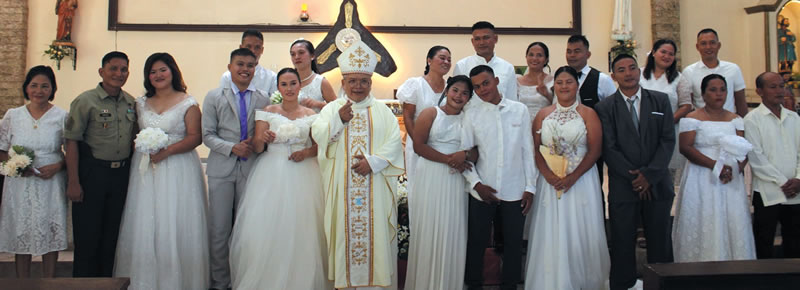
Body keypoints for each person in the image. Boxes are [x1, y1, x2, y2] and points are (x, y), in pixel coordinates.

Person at [311, 40, 404, 290]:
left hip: (376, 188)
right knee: (345, 238)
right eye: (352, 81)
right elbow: (318, 135)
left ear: (371, 83)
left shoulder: (384, 112)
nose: (358, 86)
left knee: (376, 242)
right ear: (343, 83)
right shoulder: (332, 109)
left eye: (364, 81)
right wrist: (338, 122)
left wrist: (373, 163)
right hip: (343, 191)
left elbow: (395, 144)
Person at [113, 52, 209, 289]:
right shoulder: (140, 103)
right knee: (145, 221)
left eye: (162, 70)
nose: (158, 75)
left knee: (175, 221)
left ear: (173, 71)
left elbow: (195, 137)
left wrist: (167, 151)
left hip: (178, 169)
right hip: (145, 169)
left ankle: (178, 280)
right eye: (153, 72)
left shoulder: (188, 102)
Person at [229, 68, 330, 289]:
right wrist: (264, 138)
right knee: (270, 227)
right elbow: (256, 147)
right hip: (271, 173)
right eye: (284, 84)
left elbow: (318, 146)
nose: (289, 88)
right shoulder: (267, 112)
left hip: (304, 173)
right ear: (278, 88)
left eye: (293, 83)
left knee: (303, 227)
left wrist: (305, 153)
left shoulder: (311, 115)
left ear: (299, 85)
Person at [525, 66, 609, 290]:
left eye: (569, 82)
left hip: (580, 180)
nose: (564, 86)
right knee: (551, 229)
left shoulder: (588, 113)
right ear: (555, 86)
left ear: (577, 85)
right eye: (560, 82)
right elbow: (535, 149)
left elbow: (595, 150)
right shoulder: (543, 114)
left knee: (580, 227)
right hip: (550, 182)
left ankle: (583, 280)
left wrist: (573, 177)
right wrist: (548, 176)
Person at [596, 54, 676, 290]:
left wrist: (649, 175)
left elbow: (667, 140)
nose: (628, 73)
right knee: (622, 241)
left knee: (660, 241)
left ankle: (662, 285)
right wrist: (636, 177)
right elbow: (609, 148)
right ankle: (623, 285)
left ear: (639, 71)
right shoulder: (605, 107)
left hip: (658, 183)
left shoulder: (660, 101)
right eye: (621, 70)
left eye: (632, 68)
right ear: (613, 76)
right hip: (624, 185)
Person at [461, 65, 536, 290]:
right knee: (476, 243)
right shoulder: (471, 114)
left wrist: (530, 187)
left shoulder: (519, 110)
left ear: (495, 80)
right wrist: (476, 184)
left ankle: (510, 285)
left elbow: (527, 150)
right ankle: (474, 285)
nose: (482, 89)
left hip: (515, 189)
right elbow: (466, 155)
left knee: (513, 244)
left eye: (485, 83)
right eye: (476, 87)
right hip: (482, 189)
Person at [202, 48, 271, 290]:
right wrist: (232, 147)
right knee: (220, 230)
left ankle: (244, 279)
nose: (245, 69)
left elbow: (267, 132)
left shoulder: (265, 98)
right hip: (222, 169)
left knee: (247, 230)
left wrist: (259, 141)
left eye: (250, 65)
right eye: (240, 64)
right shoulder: (214, 96)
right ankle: (221, 282)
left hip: (252, 169)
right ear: (230, 66)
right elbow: (207, 135)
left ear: (256, 68)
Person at [65, 51, 136, 277]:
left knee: (112, 237)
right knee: (88, 237)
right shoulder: (85, 101)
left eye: (123, 69)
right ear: (101, 71)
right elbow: (72, 142)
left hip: (120, 176)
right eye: (113, 68)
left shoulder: (131, 102)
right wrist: (74, 182)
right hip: (92, 174)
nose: (119, 74)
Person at [672, 74, 756, 262]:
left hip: (730, 178)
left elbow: (743, 148)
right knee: (705, 216)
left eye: (722, 90)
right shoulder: (692, 118)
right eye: (713, 90)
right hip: (702, 175)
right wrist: (715, 166)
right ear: (702, 93)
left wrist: (735, 169)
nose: (719, 94)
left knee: (731, 218)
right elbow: (685, 147)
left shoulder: (736, 119)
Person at [0, 65, 67, 278]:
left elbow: (72, 150)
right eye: (34, 85)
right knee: (22, 229)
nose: (39, 90)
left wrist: (58, 165)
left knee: (49, 228)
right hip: (20, 183)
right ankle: (22, 282)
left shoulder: (62, 116)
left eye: (45, 86)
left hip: (50, 181)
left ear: (52, 89)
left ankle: (50, 281)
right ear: (26, 88)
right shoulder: (13, 115)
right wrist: (17, 166)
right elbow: (1, 149)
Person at [405, 75, 472, 290]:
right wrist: (448, 160)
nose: (458, 96)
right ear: (447, 91)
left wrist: (465, 155)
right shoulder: (431, 113)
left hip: (455, 182)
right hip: (431, 175)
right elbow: (419, 146)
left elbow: (478, 150)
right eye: (455, 90)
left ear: (469, 97)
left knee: (451, 228)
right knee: (430, 226)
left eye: (464, 93)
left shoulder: (469, 119)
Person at [745, 72, 800, 259]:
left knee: (795, 242)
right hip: (767, 192)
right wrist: (784, 182)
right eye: (773, 87)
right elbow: (756, 158)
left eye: (781, 85)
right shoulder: (752, 120)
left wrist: (798, 179)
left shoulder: (794, 118)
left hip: (796, 192)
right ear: (760, 91)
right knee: (764, 242)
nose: (779, 91)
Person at [397, 45, 451, 192]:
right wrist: (420, 144)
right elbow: (407, 116)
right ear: (429, 60)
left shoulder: (450, 88)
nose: (446, 62)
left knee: (441, 189)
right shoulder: (415, 84)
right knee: (420, 188)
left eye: (449, 59)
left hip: (444, 145)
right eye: (442, 58)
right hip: (418, 144)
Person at [641, 39, 692, 182]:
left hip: (668, 131)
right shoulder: (639, 74)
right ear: (653, 53)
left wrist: (668, 121)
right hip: (642, 130)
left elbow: (686, 105)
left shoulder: (678, 78)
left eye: (671, 54)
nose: (667, 56)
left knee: (665, 177)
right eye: (663, 52)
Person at [678, 28, 748, 117]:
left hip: (729, 123)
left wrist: (743, 126)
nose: (708, 47)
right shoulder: (689, 72)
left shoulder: (733, 69)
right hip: (700, 125)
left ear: (719, 45)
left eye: (712, 43)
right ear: (697, 47)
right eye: (703, 43)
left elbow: (741, 103)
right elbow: (688, 105)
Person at [453, 21, 517, 101]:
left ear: (495, 39)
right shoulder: (462, 65)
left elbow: (512, 99)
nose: (482, 43)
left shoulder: (507, 67)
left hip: (500, 113)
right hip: (471, 113)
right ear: (472, 42)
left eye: (486, 38)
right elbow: (456, 99)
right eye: (477, 39)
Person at [219, 29, 277, 96]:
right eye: (248, 47)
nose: (252, 51)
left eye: (257, 47)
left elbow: (274, 104)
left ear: (262, 50)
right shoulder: (227, 77)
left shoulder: (271, 78)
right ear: (241, 47)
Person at [291, 39, 337, 112]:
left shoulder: (321, 82)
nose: (297, 57)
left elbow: (336, 108)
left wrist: (318, 104)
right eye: (293, 54)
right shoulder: (287, 80)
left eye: (301, 53)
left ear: (312, 56)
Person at [517, 42, 554, 119]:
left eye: (539, 55)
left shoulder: (553, 81)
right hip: (522, 124)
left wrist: (547, 94)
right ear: (526, 57)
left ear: (546, 59)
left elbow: (559, 107)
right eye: (531, 55)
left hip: (544, 125)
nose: (534, 58)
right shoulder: (517, 81)